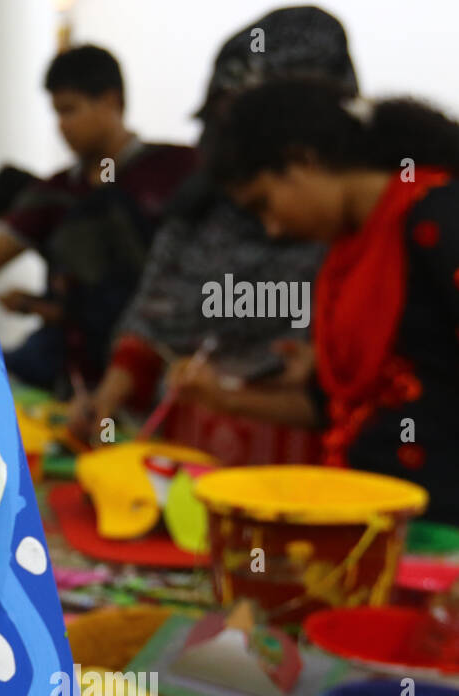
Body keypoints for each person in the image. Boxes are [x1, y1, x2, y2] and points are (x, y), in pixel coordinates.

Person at [69, 6, 356, 460]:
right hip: (193, 459)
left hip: (312, 472)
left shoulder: (362, 230)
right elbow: (155, 320)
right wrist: (106, 400)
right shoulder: (201, 207)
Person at [185, 78, 459, 523]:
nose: (272, 228)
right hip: (362, 514)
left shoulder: (438, 219)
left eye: (264, 205)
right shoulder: (346, 255)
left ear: (302, 162)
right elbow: (333, 409)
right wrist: (226, 398)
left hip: (441, 525)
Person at [0, 44, 197, 391]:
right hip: (81, 383)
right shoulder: (55, 192)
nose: (62, 126)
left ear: (112, 101)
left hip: (168, 378)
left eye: (70, 110)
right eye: (56, 114)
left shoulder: (177, 171)